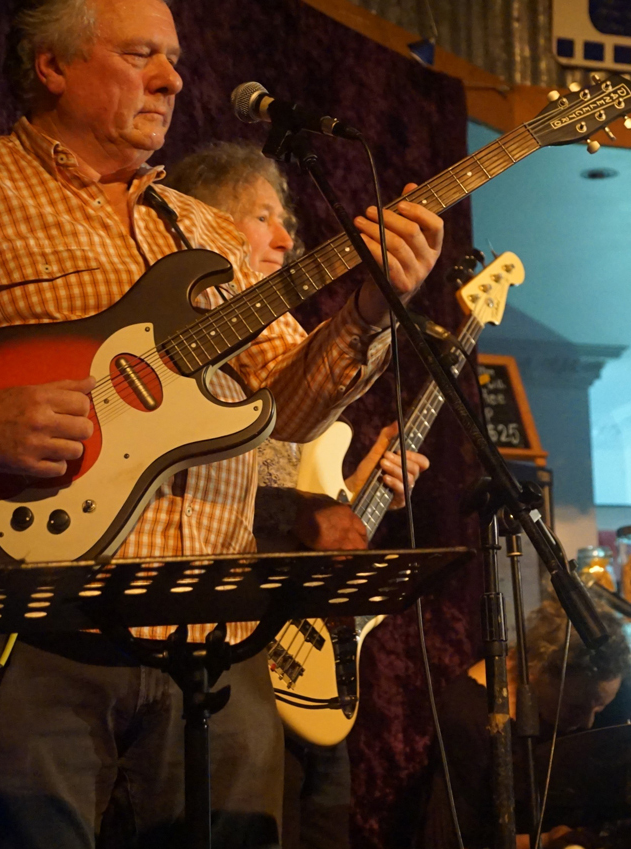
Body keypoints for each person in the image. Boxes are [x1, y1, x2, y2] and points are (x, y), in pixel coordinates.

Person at [0, 0, 443, 846]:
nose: (172, 79)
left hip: (216, 635)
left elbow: (290, 410)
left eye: (175, 58)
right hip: (24, 629)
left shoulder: (207, 233)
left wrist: (369, 309)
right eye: (142, 54)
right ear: (53, 66)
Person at [162, 140, 433, 849]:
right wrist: (307, 513)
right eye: (262, 218)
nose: (286, 239)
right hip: (221, 650)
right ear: (203, 223)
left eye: (285, 220)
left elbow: (300, 495)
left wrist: (361, 493)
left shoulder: (280, 341)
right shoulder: (178, 335)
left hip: (299, 649)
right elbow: (186, 495)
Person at [420, 597, 631, 849]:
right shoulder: (470, 715)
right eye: (575, 708)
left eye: (600, 708)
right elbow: (457, 839)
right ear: (538, 672)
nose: (588, 723)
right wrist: (547, 841)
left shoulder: (600, 683)